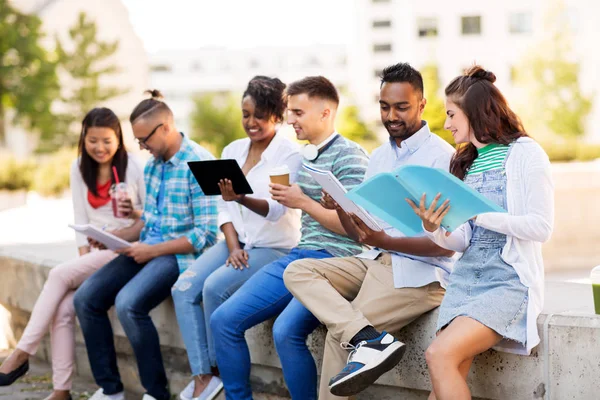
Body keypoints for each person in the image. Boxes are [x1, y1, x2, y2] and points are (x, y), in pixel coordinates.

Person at [284, 63, 457, 399]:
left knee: (337, 337)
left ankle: (363, 337)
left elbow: (447, 247)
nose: (391, 115)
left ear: (422, 105)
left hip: (421, 275)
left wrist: (386, 241)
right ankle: (369, 339)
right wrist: (340, 207)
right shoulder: (378, 158)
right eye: (384, 106)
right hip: (375, 259)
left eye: (401, 107)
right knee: (297, 271)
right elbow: (359, 233)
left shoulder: (442, 158)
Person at [210, 76, 369, 400]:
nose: (290, 120)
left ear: (325, 113)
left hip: (335, 261)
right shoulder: (304, 157)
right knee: (223, 320)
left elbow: (358, 230)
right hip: (300, 255)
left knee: (285, 332)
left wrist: (303, 202)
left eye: (298, 113)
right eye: (290, 112)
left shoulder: (351, 155)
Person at [408, 66, 554, 400]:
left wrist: (479, 213)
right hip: (465, 281)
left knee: (438, 355)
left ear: (473, 112)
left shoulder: (526, 154)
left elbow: (541, 227)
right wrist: (433, 226)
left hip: (508, 282)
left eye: (451, 114)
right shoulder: (465, 164)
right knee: (442, 379)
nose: (446, 124)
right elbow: (461, 240)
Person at [73, 90, 219, 400]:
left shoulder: (201, 162)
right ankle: (111, 390)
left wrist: (150, 250)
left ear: (165, 127)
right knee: (86, 298)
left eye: (144, 140)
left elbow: (205, 235)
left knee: (129, 304)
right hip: (148, 248)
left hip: (179, 255)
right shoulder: (153, 166)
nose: (141, 147)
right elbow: (149, 222)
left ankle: (156, 392)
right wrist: (116, 238)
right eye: (138, 141)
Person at [172, 76, 302, 400]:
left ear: (276, 115)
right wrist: (232, 245)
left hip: (273, 247)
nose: (251, 123)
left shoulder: (289, 155)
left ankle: (227, 383)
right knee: (184, 287)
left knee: (215, 288)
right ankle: (208, 373)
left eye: (259, 115)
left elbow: (275, 209)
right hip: (237, 242)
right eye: (246, 114)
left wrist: (241, 196)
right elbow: (223, 207)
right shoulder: (233, 149)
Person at [0, 108, 145, 400]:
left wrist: (133, 212)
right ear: (83, 138)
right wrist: (83, 261)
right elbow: (80, 221)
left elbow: (147, 221)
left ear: (118, 139)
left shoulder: (132, 166)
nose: (100, 148)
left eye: (106, 141)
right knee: (64, 309)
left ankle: (22, 352)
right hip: (94, 254)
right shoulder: (79, 167)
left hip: (124, 251)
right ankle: (61, 390)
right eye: (93, 140)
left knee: (57, 273)